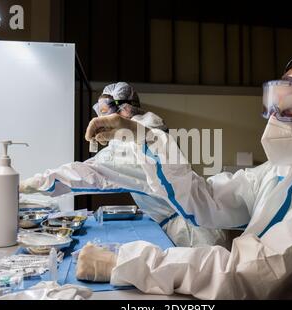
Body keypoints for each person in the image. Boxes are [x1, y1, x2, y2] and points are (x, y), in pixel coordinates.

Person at [78, 49, 292, 299]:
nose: (274, 118)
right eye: (274, 102)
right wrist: (141, 136)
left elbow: (249, 274)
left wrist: (124, 263)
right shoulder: (286, 169)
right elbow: (206, 200)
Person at [20, 82, 232, 248]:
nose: (102, 119)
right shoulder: (145, 131)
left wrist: (34, 183)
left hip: (195, 237)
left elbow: (90, 173)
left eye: (106, 113)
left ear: (124, 110)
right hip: (194, 226)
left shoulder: (135, 142)